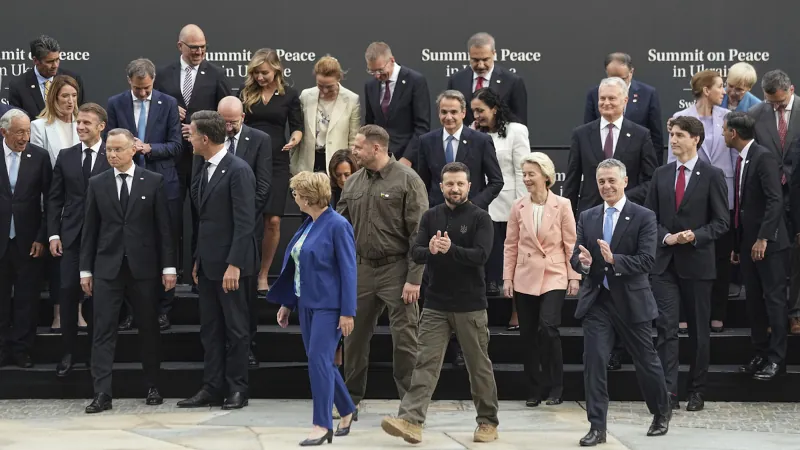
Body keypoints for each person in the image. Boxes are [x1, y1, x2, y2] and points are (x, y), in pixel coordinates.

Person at [380, 162, 499, 445]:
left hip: (470, 305)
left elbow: (481, 256)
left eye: (460, 184)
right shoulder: (431, 216)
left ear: (469, 186)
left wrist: (451, 250)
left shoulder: (482, 218)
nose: (454, 188)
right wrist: (430, 249)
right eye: (449, 184)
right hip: (435, 304)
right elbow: (417, 251)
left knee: (478, 366)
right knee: (424, 364)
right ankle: (411, 421)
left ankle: (487, 422)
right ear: (441, 186)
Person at [571, 158, 670, 446]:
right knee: (594, 361)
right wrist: (585, 264)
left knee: (646, 360)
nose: (606, 186)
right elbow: (576, 257)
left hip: (631, 301)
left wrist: (616, 260)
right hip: (598, 301)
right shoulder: (588, 216)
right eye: (602, 181)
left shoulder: (644, 216)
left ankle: (661, 412)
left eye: (612, 180)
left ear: (625, 181)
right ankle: (597, 427)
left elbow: (647, 260)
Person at [79, 128, 175, 413]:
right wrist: (86, 271)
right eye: (108, 149)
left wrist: (169, 267)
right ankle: (102, 393)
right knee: (103, 330)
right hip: (107, 268)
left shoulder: (153, 182)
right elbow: (90, 230)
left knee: (148, 327)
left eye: (118, 149)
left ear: (133, 149)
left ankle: (153, 385)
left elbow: (164, 230)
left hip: (143, 267)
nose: (112, 154)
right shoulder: (97, 183)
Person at [565, 77, 658, 372]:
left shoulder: (640, 134)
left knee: (622, 283)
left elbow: (649, 178)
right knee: (597, 282)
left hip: (627, 223)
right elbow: (572, 177)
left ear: (626, 100)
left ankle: (622, 347)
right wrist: (568, 209)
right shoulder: (582, 134)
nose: (605, 104)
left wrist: (620, 199)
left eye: (612, 99)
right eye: (601, 99)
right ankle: (603, 349)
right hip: (592, 222)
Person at [337, 125, 428, 413]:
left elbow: (419, 235)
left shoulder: (408, 181)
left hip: (398, 269)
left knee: (405, 340)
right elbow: (339, 228)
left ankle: (410, 407)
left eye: (358, 146)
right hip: (361, 270)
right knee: (353, 338)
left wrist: (414, 279)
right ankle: (349, 398)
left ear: (376, 148)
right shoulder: (352, 183)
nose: (354, 151)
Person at [269, 171, 357, 446]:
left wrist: (347, 311)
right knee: (321, 362)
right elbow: (298, 267)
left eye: (296, 193)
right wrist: (287, 304)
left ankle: (321, 424)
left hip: (329, 307)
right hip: (306, 303)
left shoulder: (337, 225)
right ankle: (347, 409)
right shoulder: (308, 223)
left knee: (318, 362)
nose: (293, 198)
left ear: (307, 197)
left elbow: (349, 271)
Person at [647, 116, 729, 412]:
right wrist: (666, 237)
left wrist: (695, 235)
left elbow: (721, 222)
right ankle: (668, 391)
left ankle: (696, 390)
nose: (674, 139)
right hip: (665, 264)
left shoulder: (712, 174)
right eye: (672, 134)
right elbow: (650, 218)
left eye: (680, 135)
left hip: (697, 264)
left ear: (696, 138)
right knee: (666, 329)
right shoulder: (661, 174)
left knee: (698, 331)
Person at [178, 111, 256, 410]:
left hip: (231, 267)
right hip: (209, 265)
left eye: (192, 134)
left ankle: (237, 389)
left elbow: (245, 221)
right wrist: (197, 260)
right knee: (210, 329)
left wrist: (234, 264)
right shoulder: (204, 167)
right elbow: (206, 221)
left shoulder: (238, 170)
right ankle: (211, 386)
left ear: (205, 138)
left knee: (236, 330)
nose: (190, 138)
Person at [106, 58, 182, 331]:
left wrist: (147, 148)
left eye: (147, 87)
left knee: (165, 244)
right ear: (129, 82)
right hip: (125, 183)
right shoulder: (115, 104)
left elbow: (176, 146)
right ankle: (130, 311)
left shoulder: (168, 103)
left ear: (153, 81)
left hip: (162, 183)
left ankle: (163, 309)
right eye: (138, 88)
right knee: (127, 247)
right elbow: (110, 144)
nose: (142, 93)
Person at [154, 24, 232, 286]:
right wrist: (166, 108)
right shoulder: (163, 75)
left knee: (203, 218)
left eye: (202, 47)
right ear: (180, 47)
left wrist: (201, 126)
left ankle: (200, 278)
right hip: (171, 160)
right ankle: (170, 278)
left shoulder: (217, 75)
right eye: (193, 47)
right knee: (169, 220)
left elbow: (225, 120)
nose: (199, 51)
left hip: (204, 160)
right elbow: (150, 107)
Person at [503, 152, 579, 407]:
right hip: (524, 276)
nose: (526, 179)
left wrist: (574, 276)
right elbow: (510, 245)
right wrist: (507, 278)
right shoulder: (518, 206)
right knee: (528, 335)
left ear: (546, 177)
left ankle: (556, 386)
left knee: (548, 328)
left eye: (531, 174)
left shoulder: (563, 205)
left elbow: (571, 243)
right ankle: (535, 389)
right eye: (524, 174)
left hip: (554, 274)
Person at [667, 70, 739, 334]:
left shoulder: (728, 117)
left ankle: (717, 312)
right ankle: (685, 313)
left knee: (720, 255)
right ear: (707, 90)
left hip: (723, 192)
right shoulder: (679, 119)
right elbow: (671, 160)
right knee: (686, 255)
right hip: (689, 195)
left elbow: (734, 158)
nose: (725, 91)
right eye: (720, 86)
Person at [48, 103, 112, 377]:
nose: (81, 127)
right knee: (67, 291)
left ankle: (94, 356)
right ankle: (69, 352)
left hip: (103, 239)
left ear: (101, 127)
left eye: (87, 122)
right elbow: (55, 199)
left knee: (100, 300)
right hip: (71, 237)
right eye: (79, 122)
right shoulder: (66, 156)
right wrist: (53, 233)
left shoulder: (113, 155)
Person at [725, 111, 789, 381]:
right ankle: (760, 352)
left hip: (769, 244)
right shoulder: (742, 159)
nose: (722, 134)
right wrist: (738, 244)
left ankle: (777, 359)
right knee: (753, 301)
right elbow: (743, 206)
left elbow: (775, 200)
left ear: (733, 133)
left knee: (773, 301)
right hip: (749, 244)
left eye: (724, 130)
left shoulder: (763, 157)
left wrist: (764, 237)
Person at [240, 48, 303, 295]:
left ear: (276, 69)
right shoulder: (246, 93)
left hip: (277, 161)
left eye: (264, 72)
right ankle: (244, 269)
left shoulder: (289, 95)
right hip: (248, 160)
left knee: (273, 220)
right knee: (246, 218)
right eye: (255, 73)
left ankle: (263, 274)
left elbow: (297, 127)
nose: (260, 78)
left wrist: (295, 140)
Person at [216, 96, 272, 369]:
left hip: (248, 229)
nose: (227, 128)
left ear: (243, 118)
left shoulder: (260, 140)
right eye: (223, 122)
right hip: (217, 230)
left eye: (233, 122)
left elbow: (263, 186)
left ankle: (248, 346)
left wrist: (243, 217)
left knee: (246, 295)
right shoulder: (210, 139)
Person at [746, 70, 800, 334]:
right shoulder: (757, 114)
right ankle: (774, 316)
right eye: (771, 102)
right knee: (774, 263)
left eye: (779, 102)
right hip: (770, 199)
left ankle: (796, 312)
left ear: (791, 89)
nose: (775, 107)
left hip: (798, 196)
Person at [30, 74, 82, 334]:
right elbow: (38, 169)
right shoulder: (39, 127)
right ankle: (59, 313)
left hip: (81, 203)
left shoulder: (84, 123)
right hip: (52, 201)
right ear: (54, 98)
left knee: (81, 258)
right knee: (58, 260)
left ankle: (81, 311)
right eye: (65, 96)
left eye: (74, 96)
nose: (70, 101)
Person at [0, 109, 52, 369]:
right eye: (19, 132)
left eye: (28, 132)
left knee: (26, 300)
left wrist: (42, 236)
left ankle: (22, 350)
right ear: (4, 132)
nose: (24, 137)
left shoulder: (39, 157)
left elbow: (50, 201)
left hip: (29, 241)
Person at [470, 87, 529, 303]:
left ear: (494, 109)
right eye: (474, 111)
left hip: (507, 201)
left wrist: (523, 205)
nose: (476, 116)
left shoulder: (517, 131)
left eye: (481, 110)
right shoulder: (472, 131)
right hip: (479, 200)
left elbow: (522, 169)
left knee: (506, 248)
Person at [417, 90, 503, 210]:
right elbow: (422, 183)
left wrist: (474, 205)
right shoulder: (426, 141)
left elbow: (496, 181)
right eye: (444, 112)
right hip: (438, 213)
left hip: (473, 216)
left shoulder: (481, 141)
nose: (448, 117)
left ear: (463, 113)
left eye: (453, 112)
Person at [584, 52, 664, 162]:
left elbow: (656, 136)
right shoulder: (595, 93)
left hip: (637, 163)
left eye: (622, 79)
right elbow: (588, 132)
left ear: (631, 72)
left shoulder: (648, 93)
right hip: (602, 163)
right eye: (612, 78)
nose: (617, 83)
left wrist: (655, 172)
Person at [363, 42, 431, 167]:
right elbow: (369, 123)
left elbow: (422, 127)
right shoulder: (370, 85)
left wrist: (408, 158)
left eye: (380, 70)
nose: (377, 75)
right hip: (378, 161)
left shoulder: (415, 81)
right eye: (372, 71)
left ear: (392, 60)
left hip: (407, 161)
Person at [294, 56, 360, 174]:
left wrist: (350, 167)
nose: (324, 90)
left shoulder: (351, 99)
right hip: (308, 162)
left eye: (329, 86)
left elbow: (353, 139)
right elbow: (297, 127)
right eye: (320, 85)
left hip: (337, 164)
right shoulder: (306, 96)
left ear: (339, 78)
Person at [447, 32, 527, 127]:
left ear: (494, 54)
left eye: (485, 60)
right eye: (475, 60)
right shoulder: (456, 80)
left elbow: (519, 123)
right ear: (469, 55)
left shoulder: (512, 82)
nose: (480, 65)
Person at [327, 148, 358, 380]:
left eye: (347, 174)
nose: (343, 180)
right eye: (339, 175)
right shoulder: (329, 196)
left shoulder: (361, 193)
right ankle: (337, 382)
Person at [8, 35, 85, 120]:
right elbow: (17, 122)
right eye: (50, 61)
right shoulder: (18, 86)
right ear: (35, 61)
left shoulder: (73, 79)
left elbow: (82, 114)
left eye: (57, 59)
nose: (55, 65)